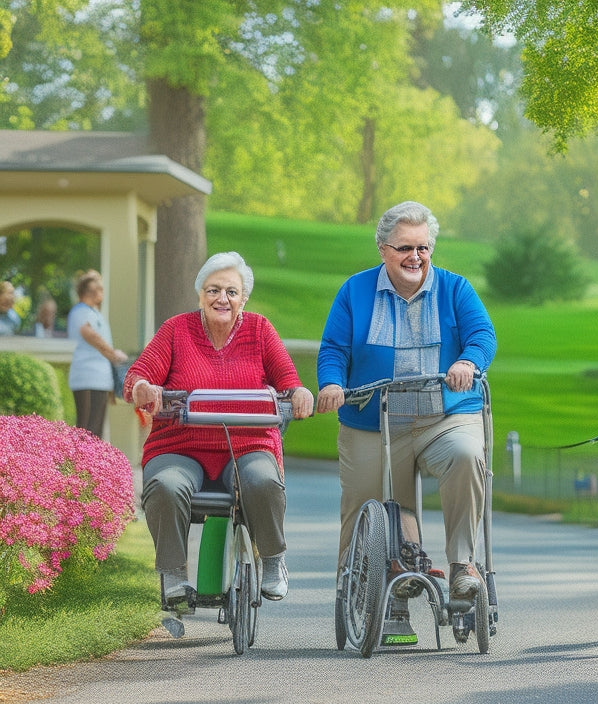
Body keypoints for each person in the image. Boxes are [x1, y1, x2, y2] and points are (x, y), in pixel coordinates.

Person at [316, 200, 496, 640]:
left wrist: (469, 363)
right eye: (404, 248)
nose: (415, 257)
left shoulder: (455, 289)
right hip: (374, 420)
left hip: (445, 417)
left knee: (468, 453)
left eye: (423, 248)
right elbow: (334, 349)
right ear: (382, 249)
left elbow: (482, 335)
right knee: (366, 499)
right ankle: (363, 583)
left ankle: (461, 566)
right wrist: (331, 383)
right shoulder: (355, 291)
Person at [124, 251, 314, 608]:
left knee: (263, 481)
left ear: (243, 298)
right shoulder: (176, 329)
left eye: (230, 291)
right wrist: (143, 389)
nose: (221, 299)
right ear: (200, 294)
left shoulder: (259, 330)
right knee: (165, 486)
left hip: (245, 445)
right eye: (213, 290)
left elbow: (289, 380)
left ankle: (273, 559)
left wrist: (300, 393)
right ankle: (173, 574)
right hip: (179, 445)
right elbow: (138, 376)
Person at [67, 270, 128, 437]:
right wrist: (113, 354)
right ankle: (81, 463)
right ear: (92, 291)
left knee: (96, 430)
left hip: (99, 379)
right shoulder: (81, 311)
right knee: (87, 428)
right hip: (87, 377)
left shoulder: (94, 313)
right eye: (99, 288)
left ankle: (92, 463)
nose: (102, 292)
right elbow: (89, 334)